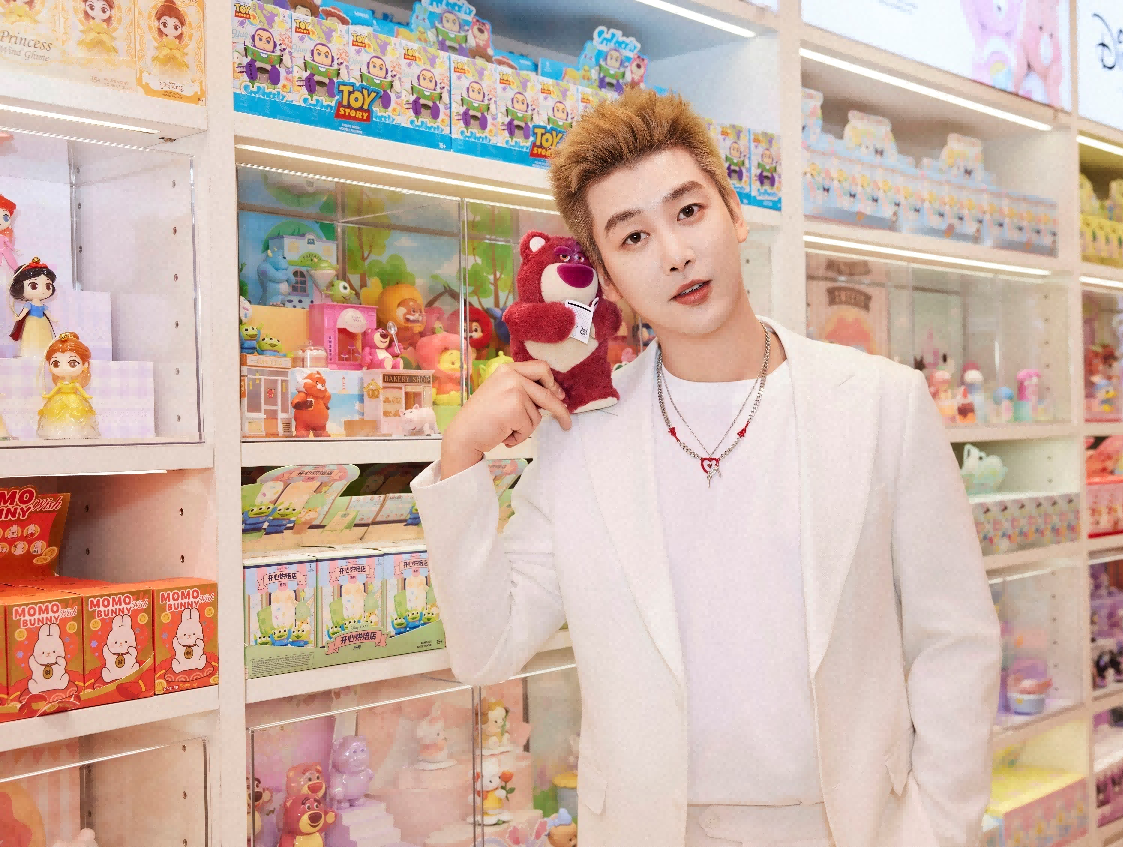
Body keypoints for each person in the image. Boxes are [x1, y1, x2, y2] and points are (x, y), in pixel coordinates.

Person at [411, 89, 1000, 847]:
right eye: (633, 237)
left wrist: (936, 830)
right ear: (607, 281)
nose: (674, 253)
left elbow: (954, 640)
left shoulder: (882, 404)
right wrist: (460, 455)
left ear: (735, 212)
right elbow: (488, 646)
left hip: (849, 827)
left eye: (688, 211)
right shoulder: (583, 434)